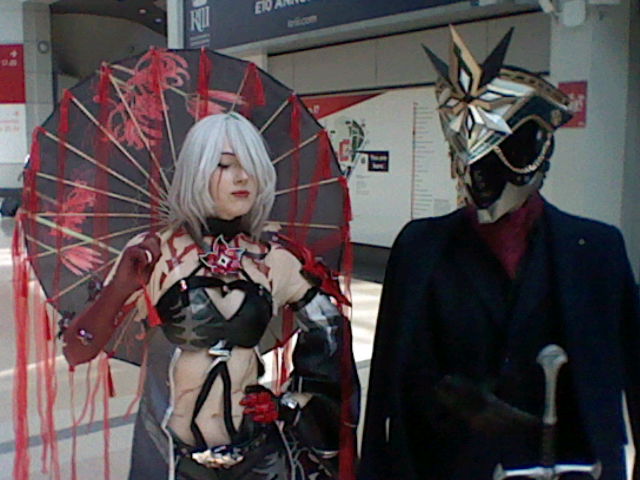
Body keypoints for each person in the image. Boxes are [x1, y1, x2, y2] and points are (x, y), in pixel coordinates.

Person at [359, 27, 640, 480]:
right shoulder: (420, 248)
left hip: (571, 466)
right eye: (471, 157)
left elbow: (632, 368)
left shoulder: (596, 251)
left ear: (537, 149)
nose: (481, 176)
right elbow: (389, 383)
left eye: (499, 153)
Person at [62, 112, 358, 480]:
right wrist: (121, 286)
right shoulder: (153, 254)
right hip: (172, 460)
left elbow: (331, 332)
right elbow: (77, 350)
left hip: (259, 459)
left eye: (251, 165)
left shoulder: (274, 259)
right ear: (196, 172)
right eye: (224, 164)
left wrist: (290, 403)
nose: (243, 177)